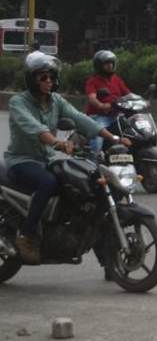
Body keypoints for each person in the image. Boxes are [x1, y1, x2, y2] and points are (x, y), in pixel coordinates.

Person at [5, 52, 127, 265]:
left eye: (51, 77)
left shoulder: (56, 101)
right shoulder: (19, 102)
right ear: (32, 79)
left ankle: (106, 259)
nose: (49, 81)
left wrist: (114, 137)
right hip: (22, 161)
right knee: (48, 182)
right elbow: (35, 128)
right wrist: (57, 143)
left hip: (48, 159)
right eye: (43, 77)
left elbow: (80, 119)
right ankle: (27, 234)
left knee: (85, 186)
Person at [84, 50, 133, 153]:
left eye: (111, 63)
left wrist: (140, 100)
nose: (110, 66)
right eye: (106, 64)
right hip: (100, 116)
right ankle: (94, 159)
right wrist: (101, 105)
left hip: (117, 116)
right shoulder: (93, 81)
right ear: (99, 66)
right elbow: (92, 98)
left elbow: (128, 94)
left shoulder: (116, 79)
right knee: (97, 135)